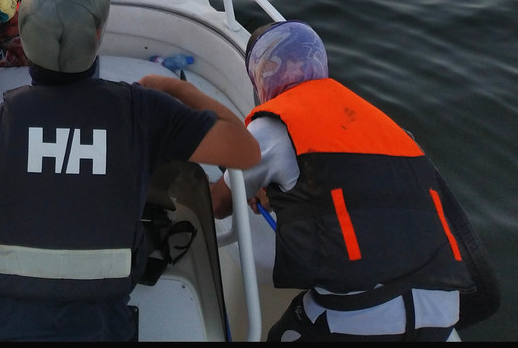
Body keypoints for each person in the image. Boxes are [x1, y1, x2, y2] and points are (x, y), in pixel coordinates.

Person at [0, 0, 260, 341]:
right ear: (97, 35)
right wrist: (179, 91)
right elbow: (245, 151)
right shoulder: (144, 113)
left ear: (26, 38)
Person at [210, 21, 499, 341]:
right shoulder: (387, 126)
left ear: (261, 74)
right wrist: (277, 197)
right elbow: (366, 195)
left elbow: (219, 204)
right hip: (442, 312)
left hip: (362, 318)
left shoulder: (274, 126)